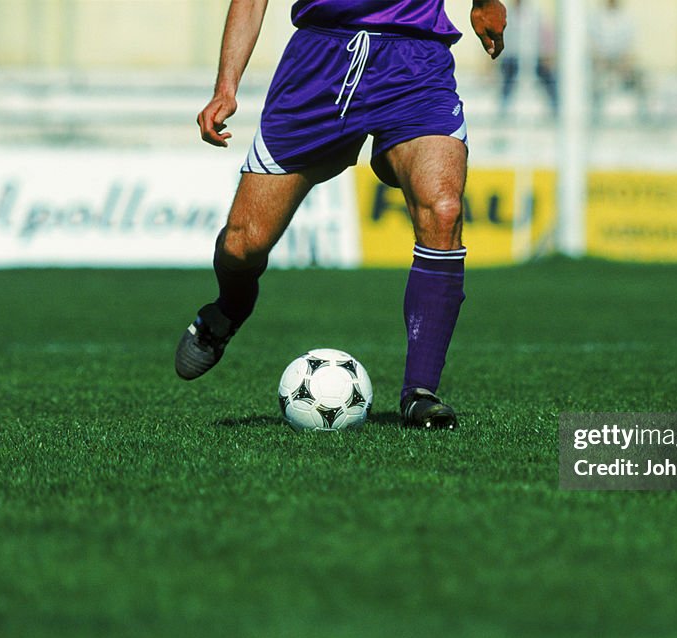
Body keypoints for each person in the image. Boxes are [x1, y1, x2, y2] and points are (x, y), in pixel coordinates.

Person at [175, 0, 508, 430]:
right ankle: (229, 308)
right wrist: (226, 87)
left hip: (415, 60)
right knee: (243, 245)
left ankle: (419, 391)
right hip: (321, 61)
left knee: (443, 210)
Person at [498, 0, 558, 117]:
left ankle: (556, 109)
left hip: (534, 55)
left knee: (549, 81)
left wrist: (547, 54)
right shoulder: (505, 12)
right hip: (512, 55)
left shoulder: (534, 12)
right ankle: (503, 112)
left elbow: (545, 33)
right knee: (507, 84)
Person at [591, 0, 648, 123]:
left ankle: (643, 116)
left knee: (641, 81)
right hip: (602, 62)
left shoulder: (627, 19)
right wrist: (600, 60)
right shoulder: (596, 17)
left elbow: (631, 44)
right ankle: (594, 117)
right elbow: (592, 42)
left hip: (622, 62)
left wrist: (625, 62)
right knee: (593, 83)